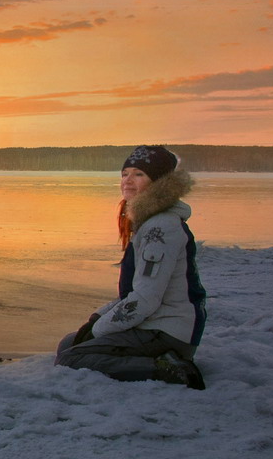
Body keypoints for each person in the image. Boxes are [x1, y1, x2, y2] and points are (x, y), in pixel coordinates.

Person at [55, 145, 208, 389]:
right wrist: (96, 319)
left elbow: (145, 299)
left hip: (166, 330)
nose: (128, 181)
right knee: (68, 343)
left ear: (159, 182)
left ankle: (168, 370)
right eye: (125, 173)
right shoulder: (150, 222)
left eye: (139, 174)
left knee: (71, 357)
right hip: (154, 323)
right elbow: (132, 295)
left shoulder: (161, 228)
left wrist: (98, 330)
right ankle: (152, 358)